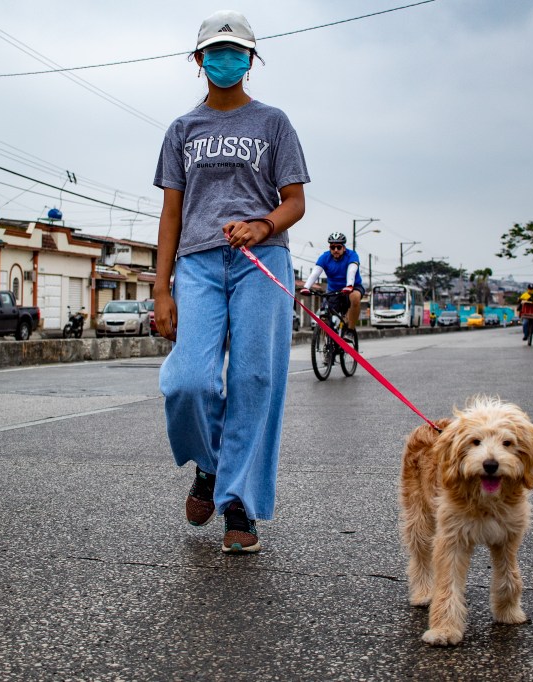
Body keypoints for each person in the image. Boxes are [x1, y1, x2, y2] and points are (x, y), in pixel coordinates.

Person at [153, 10, 310, 554]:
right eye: (215, 52)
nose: (225, 60)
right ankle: (212, 467)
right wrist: (161, 288)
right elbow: (171, 213)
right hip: (197, 262)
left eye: (235, 51)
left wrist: (263, 223)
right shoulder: (181, 129)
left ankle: (238, 504)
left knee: (254, 383)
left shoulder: (273, 123)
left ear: (251, 59)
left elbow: (295, 201)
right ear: (198, 61)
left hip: (261, 261)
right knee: (187, 381)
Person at [300, 232, 364, 332]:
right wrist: (306, 287)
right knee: (325, 316)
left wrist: (349, 285)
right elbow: (315, 273)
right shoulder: (325, 257)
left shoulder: (352, 255)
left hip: (353, 287)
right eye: (332, 247)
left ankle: (350, 331)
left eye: (338, 247)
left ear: (344, 248)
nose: (335, 250)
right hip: (334, 290)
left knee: (355, 298)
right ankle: (328, 342)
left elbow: (352, 270)